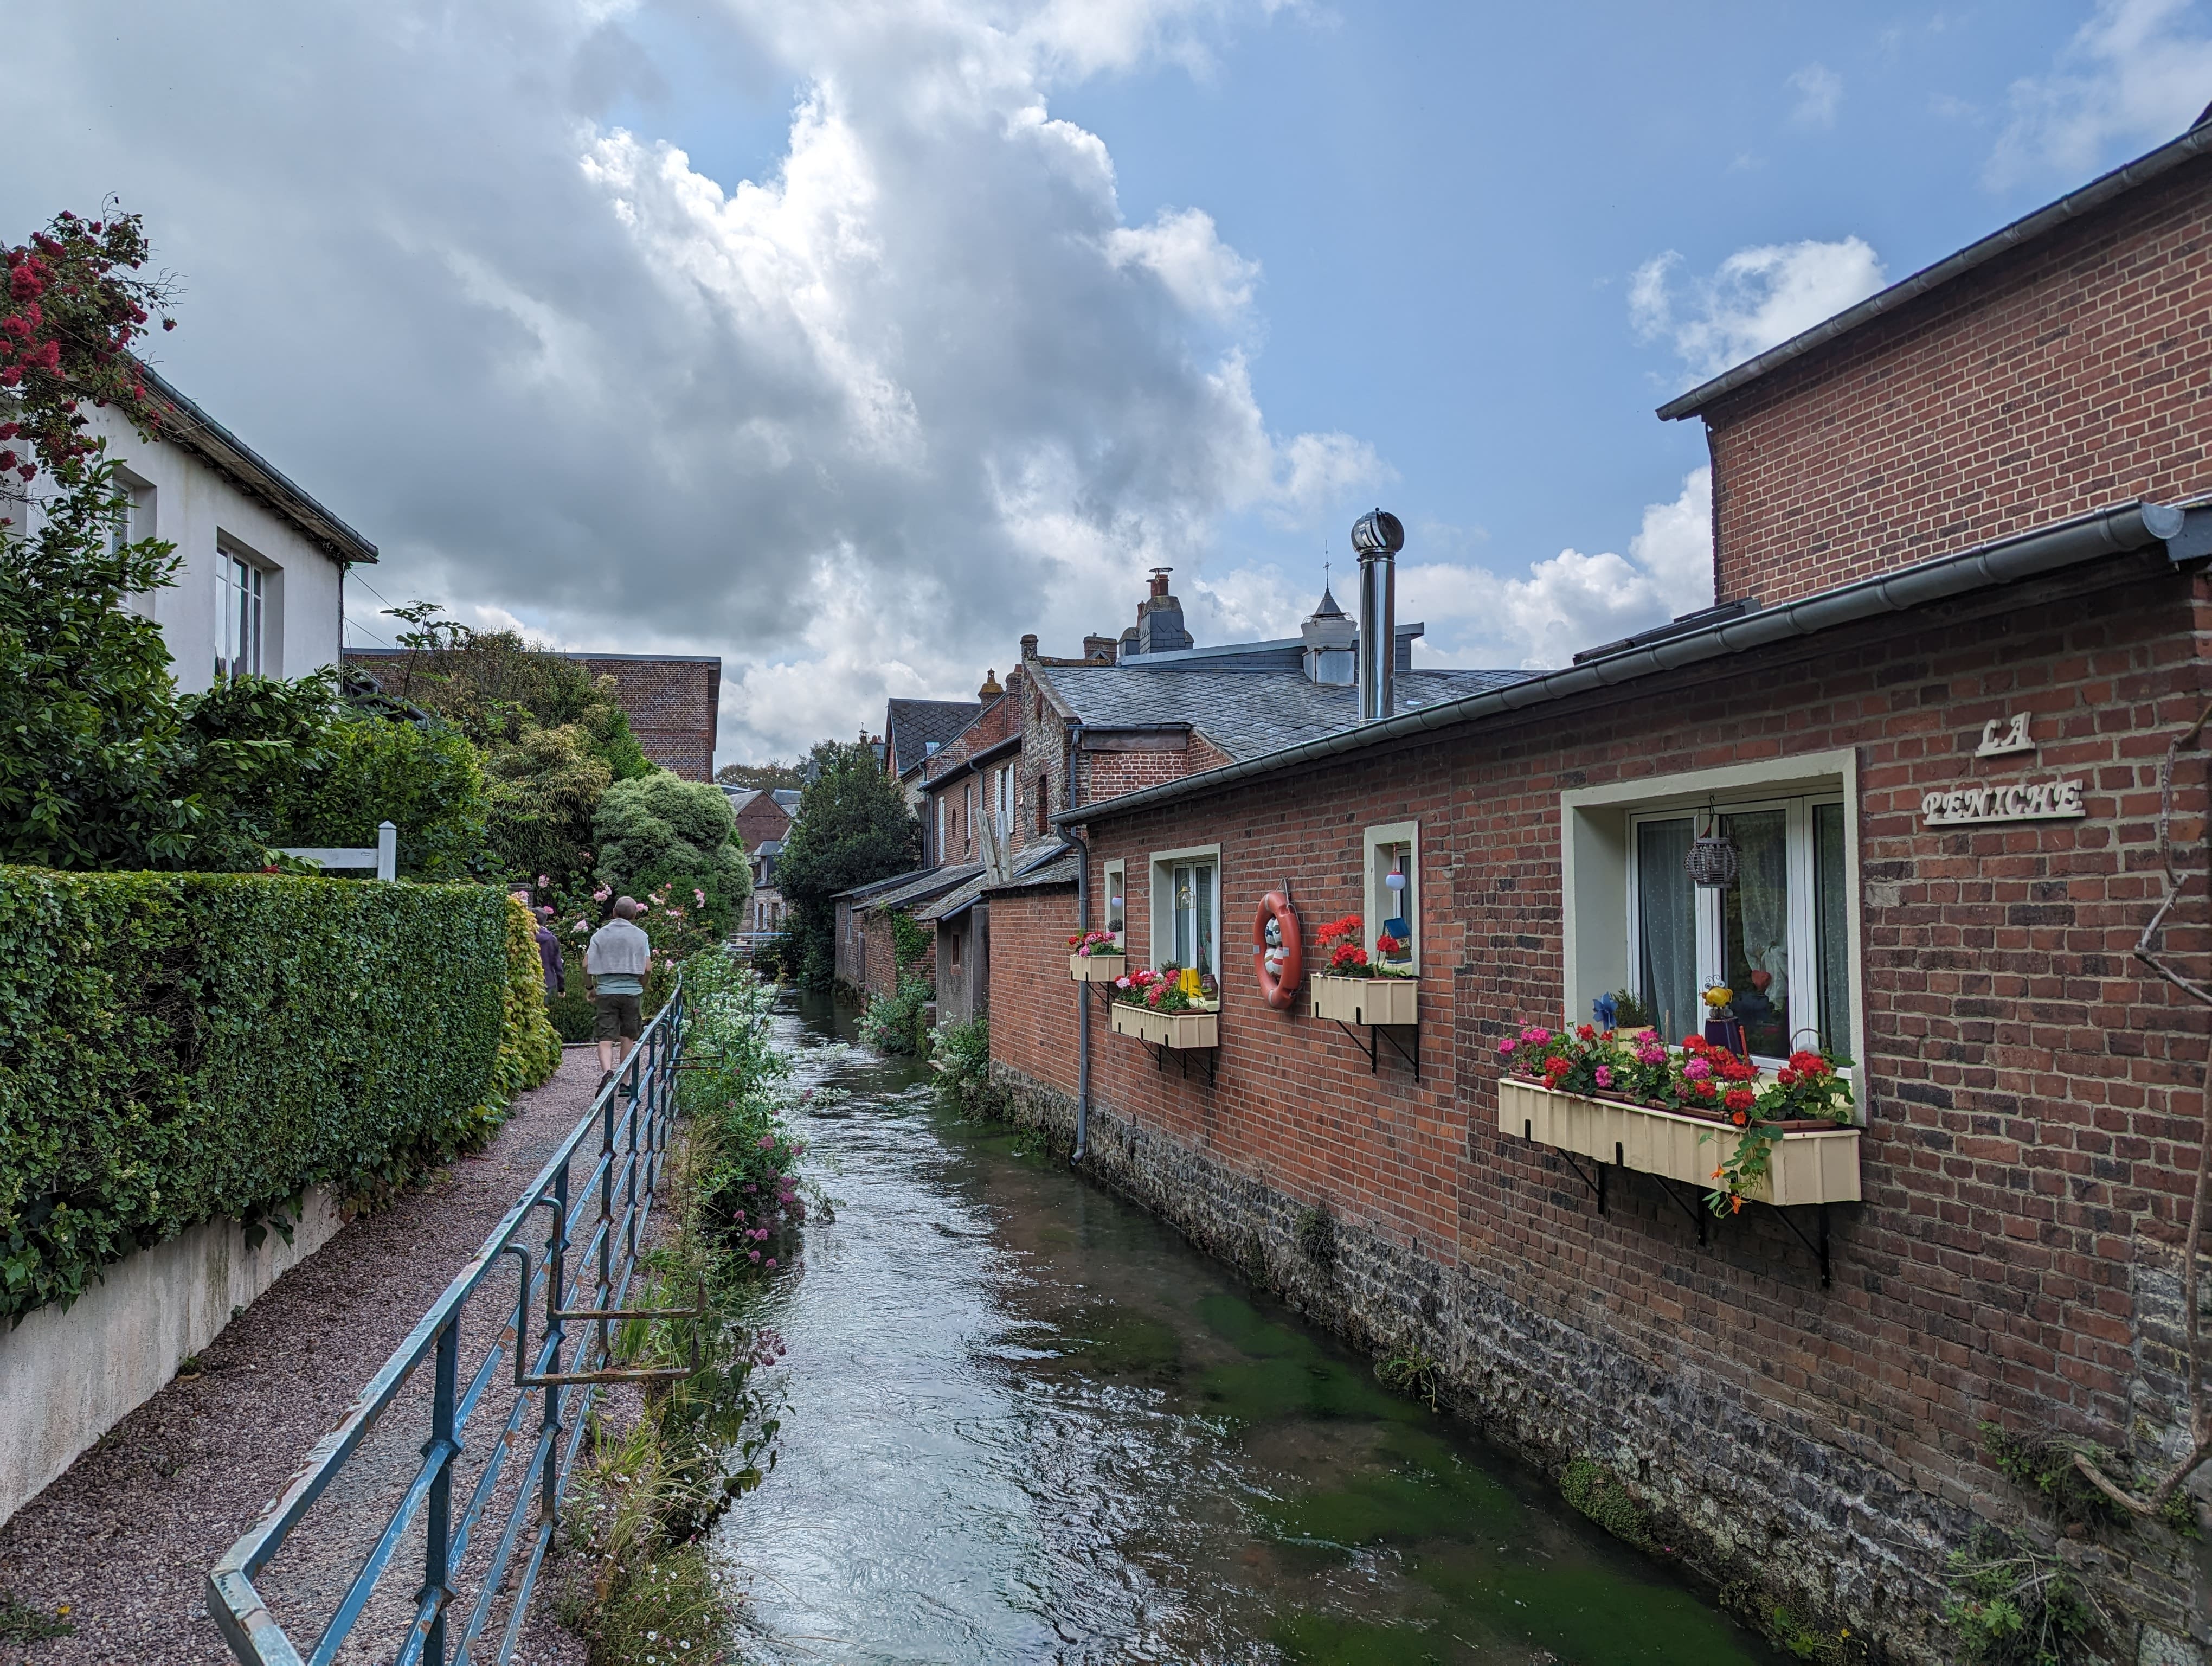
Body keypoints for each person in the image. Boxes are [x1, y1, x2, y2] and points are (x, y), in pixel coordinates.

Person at [586, 896, 652, 1076]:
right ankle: (624, 1081)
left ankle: (608, 1072)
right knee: (628, 1037)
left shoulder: (599, 935)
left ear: (614, 913)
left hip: (606, 992)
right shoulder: (641, 936)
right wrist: (642, 983)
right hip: (632, 993)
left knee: (605, 1037)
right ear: (635, 916)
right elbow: (647, 968)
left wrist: (590, 987)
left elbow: (586, 965)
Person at [535, 906, 564, 1000]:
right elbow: (557, 964)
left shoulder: (523, 936)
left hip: (526, 979)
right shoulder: (551, 939)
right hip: (547, 980)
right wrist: (561, 987)